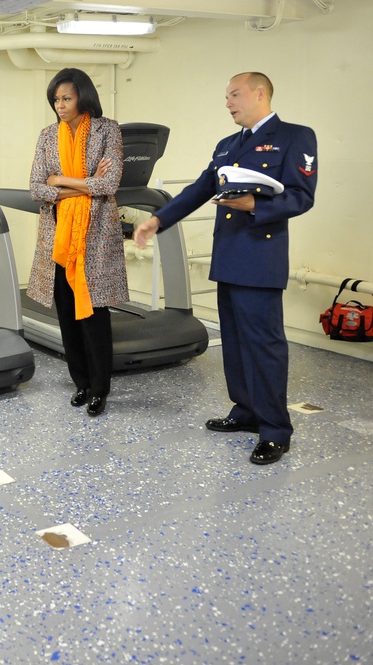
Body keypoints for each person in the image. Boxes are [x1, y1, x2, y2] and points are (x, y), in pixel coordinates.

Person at [134, 72, 317, 465]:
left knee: (264, 346)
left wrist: (255, 205)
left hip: (260, 258)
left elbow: (301, 196)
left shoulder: (295, 136)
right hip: (229, 256)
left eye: (235, 95)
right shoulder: (228, 145)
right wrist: (158, 220)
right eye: (227, 97)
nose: (229, 103)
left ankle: (275, 430)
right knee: (233, 342)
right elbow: (200, 189)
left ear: (260, 93)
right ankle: (246, 411)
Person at [27, 67, 126, 417]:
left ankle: (100, 388)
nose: (60, 105)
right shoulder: (47, 135)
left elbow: (109, 184)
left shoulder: (107, 129)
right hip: (58, 235)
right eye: (56, 99)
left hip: (94, 235)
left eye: (66, 98)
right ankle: (81, 382)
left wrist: (60, 181)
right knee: (67, 313)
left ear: (82, 97)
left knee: (94, 312)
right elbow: (37, 188)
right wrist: (84, 183)